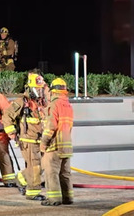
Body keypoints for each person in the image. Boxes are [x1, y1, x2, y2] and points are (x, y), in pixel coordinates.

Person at [3, 73, 48, 201]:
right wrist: (11, 132)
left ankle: (22, 178)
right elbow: (7, 116)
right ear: (29, 88)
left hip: (40, 140)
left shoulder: (41, 103)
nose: (39, 91)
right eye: (37, 88)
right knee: (35, 166)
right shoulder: (22, 102)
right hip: (28, 141)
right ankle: (33, 192)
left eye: (41, 88)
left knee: (43, 165)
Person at [40, 78, 74, 206]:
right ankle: (68, 197)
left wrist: (44, 142)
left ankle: (54, 199)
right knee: (65, 174)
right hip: (66, 145)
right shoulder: (68, 104)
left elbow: (51, 126)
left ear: (53, 91)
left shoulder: (54, 104)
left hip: (55, 145)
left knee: (51, 172)